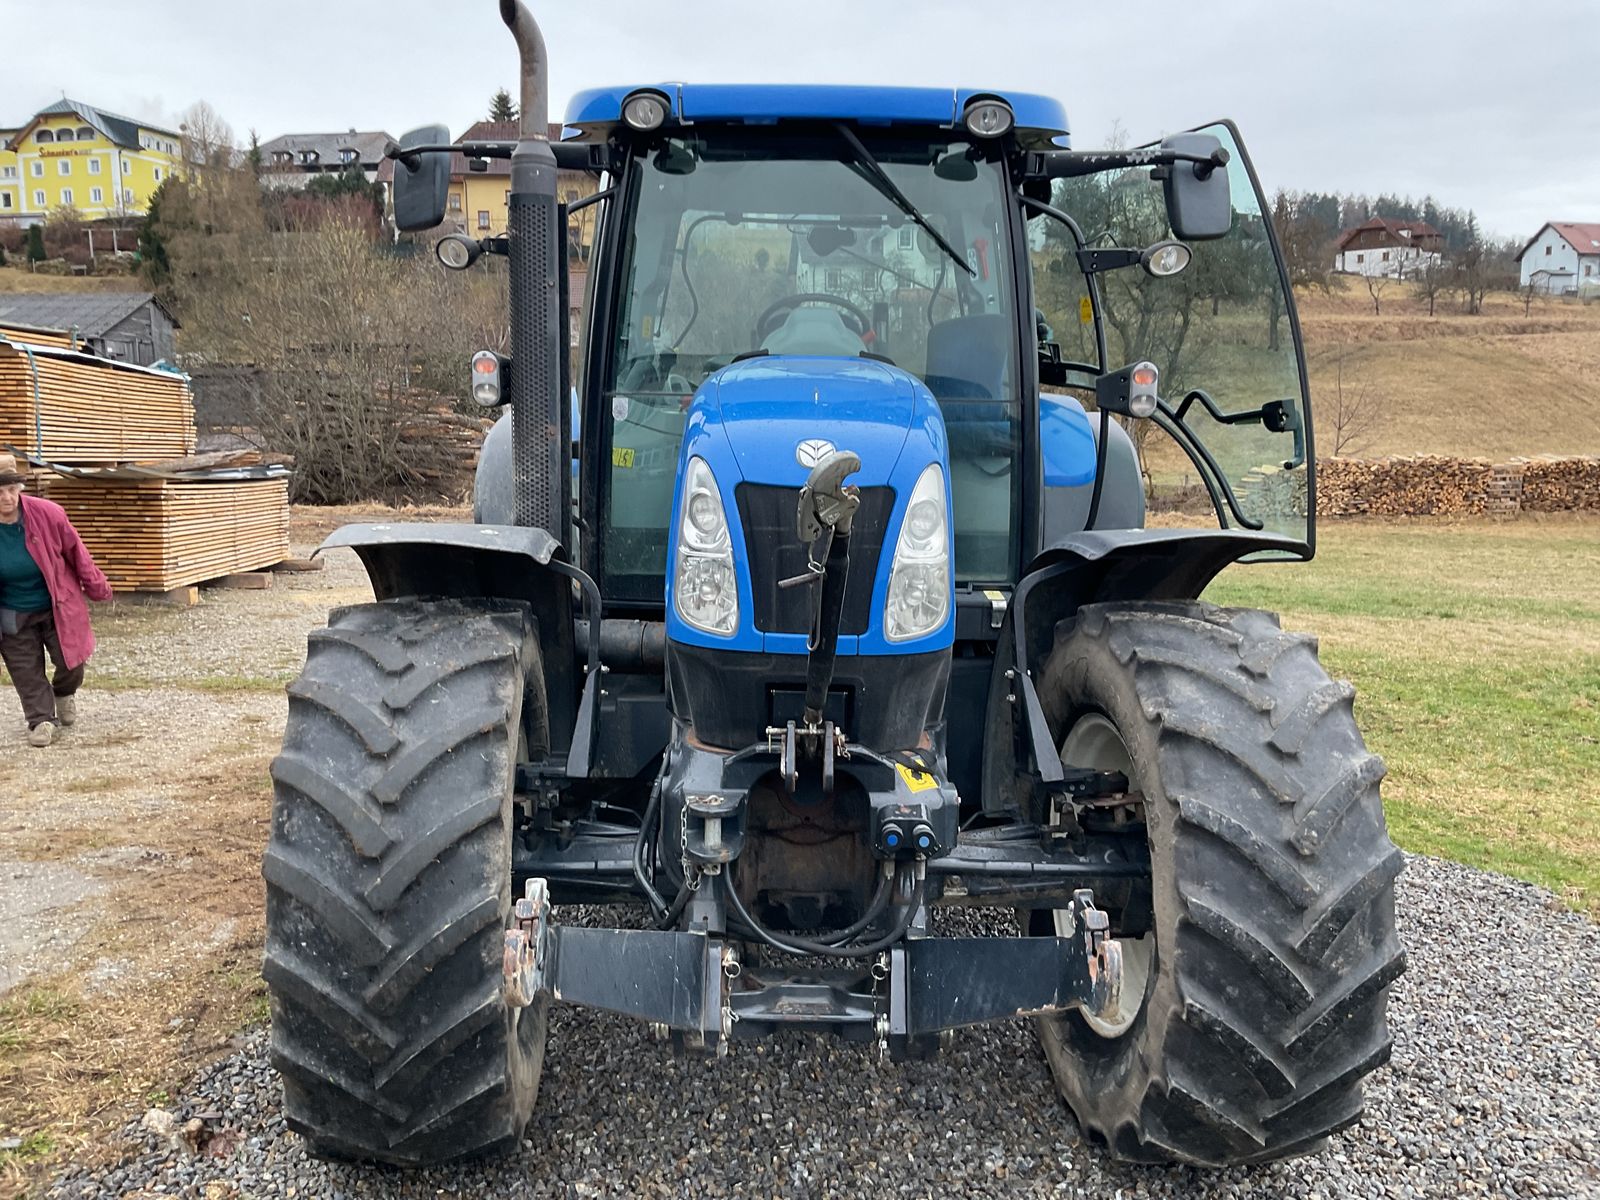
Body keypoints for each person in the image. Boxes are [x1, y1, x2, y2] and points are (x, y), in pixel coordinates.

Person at [0, 453, 112, 747]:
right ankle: (40, 720)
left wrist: (97, 586)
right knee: (25, 669)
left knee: (71, 662)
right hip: (11, 611)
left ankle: (63, 693)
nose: (6, 497)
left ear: (19, 488)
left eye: (11, 489)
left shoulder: (48, 514)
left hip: (57, 604)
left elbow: (77, 553)